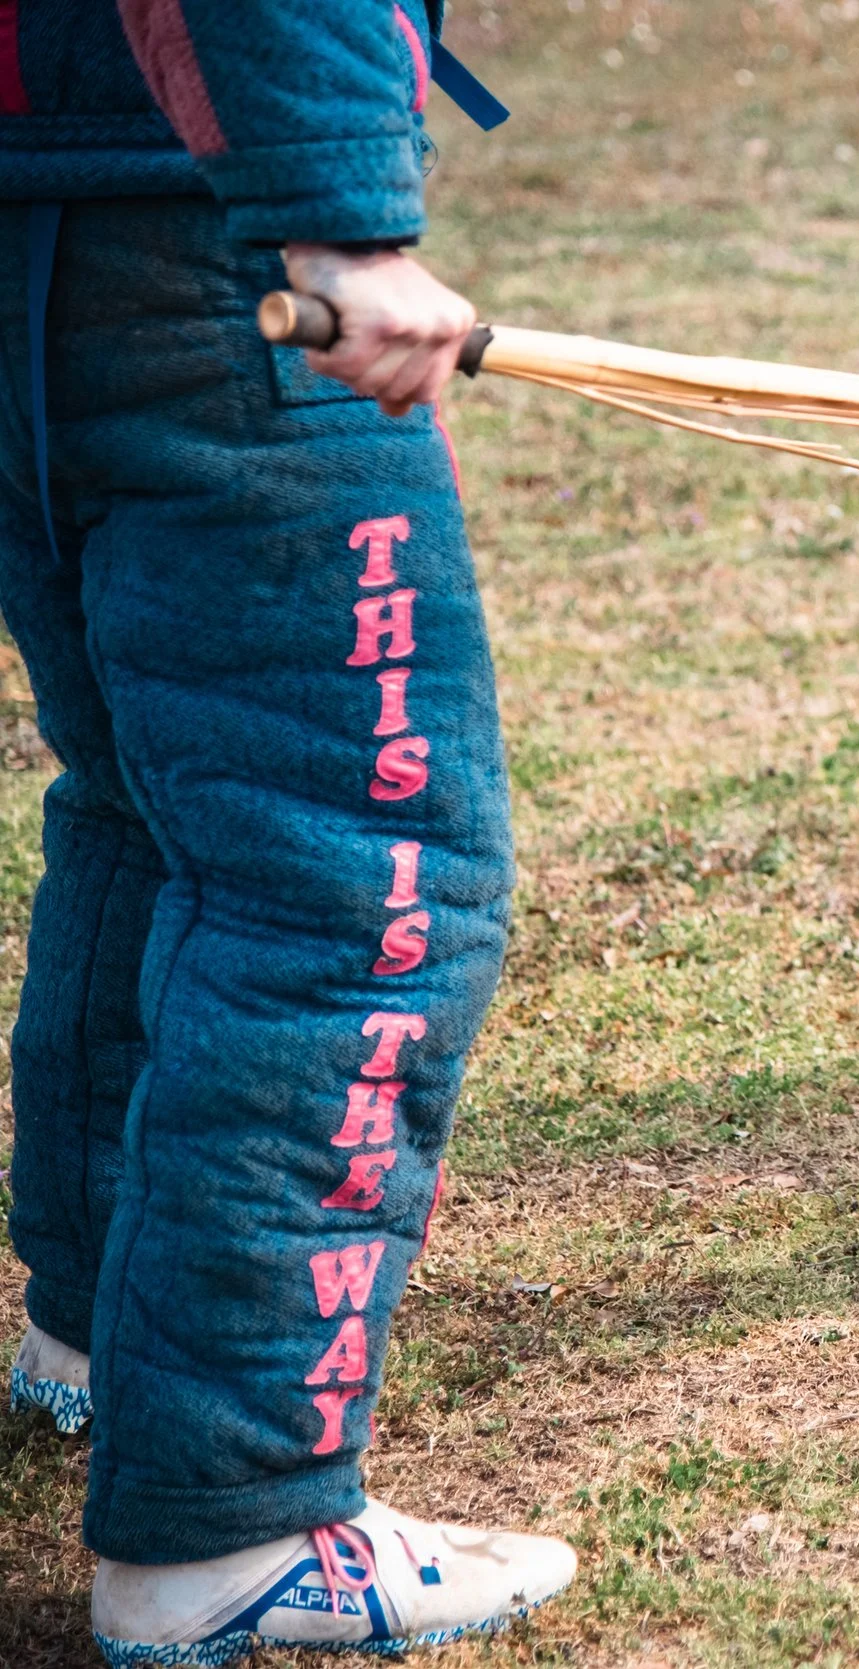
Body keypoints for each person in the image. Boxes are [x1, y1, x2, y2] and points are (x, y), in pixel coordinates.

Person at [2, 0, 575, 1657]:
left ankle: (104, 1336)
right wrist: (339, 210)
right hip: (200, 235)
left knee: (150, 802)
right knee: (351, 872)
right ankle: (235, 1524)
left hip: (52, 204)